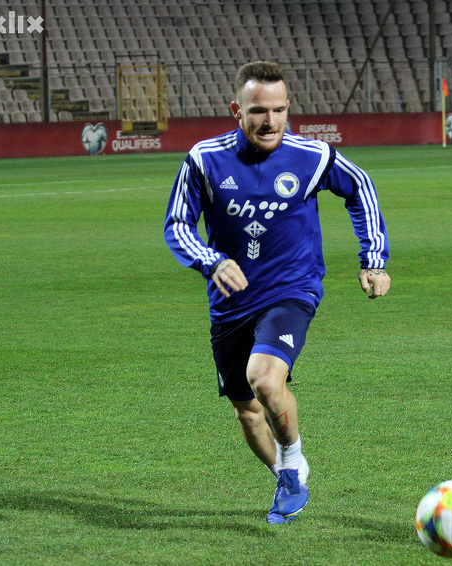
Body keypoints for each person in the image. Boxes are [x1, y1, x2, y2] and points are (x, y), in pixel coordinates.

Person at [164, 61, 391, 525]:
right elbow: (177, 224)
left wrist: (374, 259)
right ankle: (288, 474)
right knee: (247, 414)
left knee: (266, 380)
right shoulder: (204, 159)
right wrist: (211, 260)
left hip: (292, 289)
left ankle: (291, 459)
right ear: (236, 110)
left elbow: (360, 187)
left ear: (289, 109)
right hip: (230, 303)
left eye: (279, 110)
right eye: (258, 111)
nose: (270, 121)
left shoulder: (312, 156)